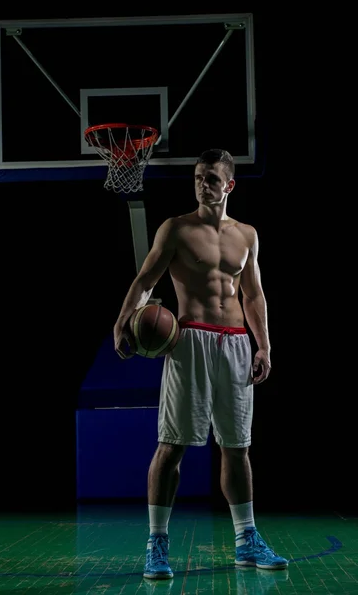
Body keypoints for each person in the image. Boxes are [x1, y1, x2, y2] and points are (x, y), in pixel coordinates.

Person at [113, 149, 288, 580]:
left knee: (237, 447)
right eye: (197, 177)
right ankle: (157, 543)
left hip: (236, 345)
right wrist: (121, 323)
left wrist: (263, 346)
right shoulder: (175, 229)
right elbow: (145, 281)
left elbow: (253, 295)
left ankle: (246, 540)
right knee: (172, 446)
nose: (201, 183)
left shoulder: (247, 235)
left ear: (228, 185)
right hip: (189, 341)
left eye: (210, 177)